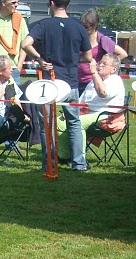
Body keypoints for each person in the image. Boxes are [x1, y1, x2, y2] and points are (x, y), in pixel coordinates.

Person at [21, 0, 93, 172]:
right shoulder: (78, 27)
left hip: (49, 83)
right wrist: (74, 59)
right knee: (74, 122)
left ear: (51, 3)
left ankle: (50, 163)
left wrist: (39, 58)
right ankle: (79, 163)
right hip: (70, 82)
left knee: (47, 125)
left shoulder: (43, 25)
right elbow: (88, 57)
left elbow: (25, 44)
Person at [57, 53, 126, 161]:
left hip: (107, 117)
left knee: (77, 123)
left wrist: (94, 72)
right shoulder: (92, 82)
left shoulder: (115, 80)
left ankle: (80, 159)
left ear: (113, 69)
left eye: (104, 64)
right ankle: (65, 156)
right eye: (100, 62)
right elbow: (81, 101)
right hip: (88, 113)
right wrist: (71, 111)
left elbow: (103, 93)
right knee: (59, 121)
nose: (99, 65)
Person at [77, 9, 128, 94]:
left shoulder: (103, 40)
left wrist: (104, 65)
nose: (83, 29)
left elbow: (123, 54)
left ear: (94, 26)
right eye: (81, 26)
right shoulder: (79, 38)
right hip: (77, 80)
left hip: (92, 82)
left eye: (86, 27)